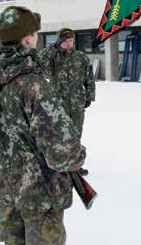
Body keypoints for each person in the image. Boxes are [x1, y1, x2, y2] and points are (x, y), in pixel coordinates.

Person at [0, 6, 86, 245]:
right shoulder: (34, 85)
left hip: (6, 187)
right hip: (40, 192)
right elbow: (63, 153)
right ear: (28, 38)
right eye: (35, 33)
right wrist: (79, 154)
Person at [39, 27, 95, 176]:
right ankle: (56, 165)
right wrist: (54, 47)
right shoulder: (53, 58)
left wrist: (89, 96)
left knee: (76, 134)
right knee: (58, 135)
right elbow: (40, 62)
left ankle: (74, 166)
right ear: (59, 41)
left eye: (71, 40)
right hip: (58, 104)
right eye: (66, 41)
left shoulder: (80, 57)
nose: (70, 44)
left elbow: (89, 78)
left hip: (77, 104)